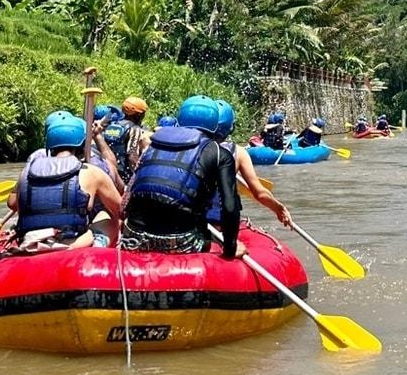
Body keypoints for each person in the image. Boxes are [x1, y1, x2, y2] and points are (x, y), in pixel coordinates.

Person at [123, 95, 290, 257]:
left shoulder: (153, 144)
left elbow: (127, 198)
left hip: (132, 237)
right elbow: (229, 206)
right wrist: (230, 247)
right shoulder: (221, 153)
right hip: (181, 241)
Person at [7, 111, 121, 249]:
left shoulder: (26, 172)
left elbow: (12, 203)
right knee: (110, 216)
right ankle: (97, 245)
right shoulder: (91, 172)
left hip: (30, 240)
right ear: (82, 144)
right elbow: (122, 210)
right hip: (72, 243)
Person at [207, 99, 294, 257]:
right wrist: (278, 208)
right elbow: (259, 193)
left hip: (190, 224)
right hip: (218, 226)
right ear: (230, 127)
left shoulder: (190, 149)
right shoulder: (238, 153)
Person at [103, 96, 151, 182]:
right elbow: (132, 156)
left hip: (106, 169)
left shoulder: (112, 125)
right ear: (138, 114)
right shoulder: (135, 129)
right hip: (122, 175)